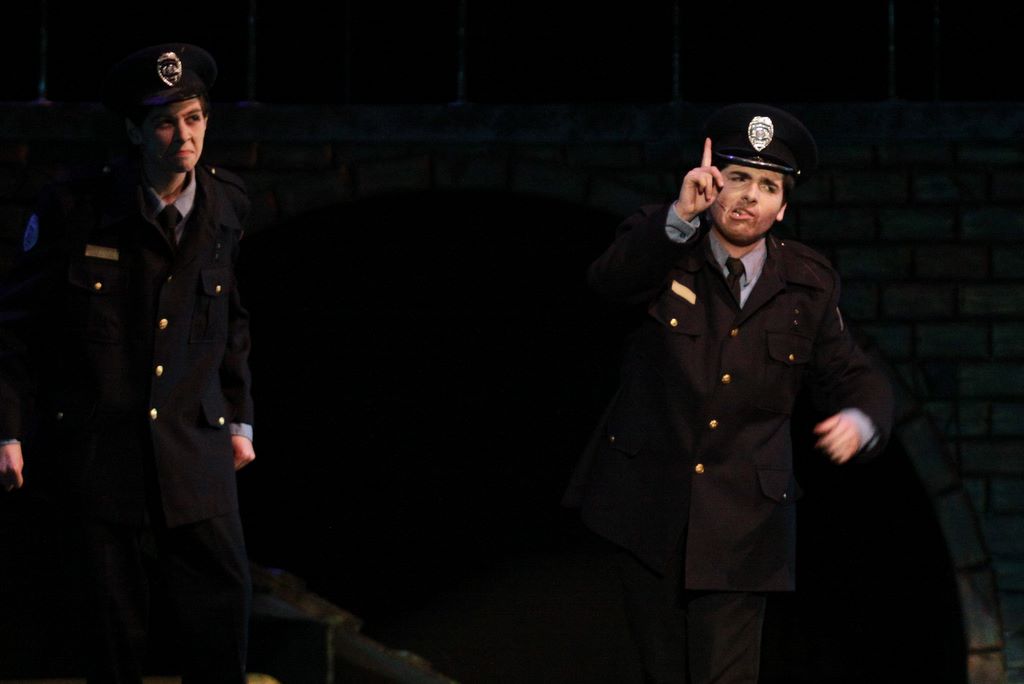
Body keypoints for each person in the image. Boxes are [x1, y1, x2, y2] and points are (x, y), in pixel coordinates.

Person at [563, 103, 894, 683]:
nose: (748, 197)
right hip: (646, 507)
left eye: (768, 186)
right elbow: (609, 282)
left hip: (744, 523)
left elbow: (851, 372)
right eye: (738, 178)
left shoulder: (807, 283)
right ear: (712, 181)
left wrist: (862, 419)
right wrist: (677, 219)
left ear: (782, 207)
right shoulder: (664, 243)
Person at [0, 43, 255, 682]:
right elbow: (17, 327)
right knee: (110, 639)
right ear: (136, 132)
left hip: (195, 450)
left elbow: (230, 319)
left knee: (220, 627)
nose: (184, 136)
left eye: (194, 118)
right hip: (101, 452)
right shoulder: (77, 207)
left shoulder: (226, 204)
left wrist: (240, 418)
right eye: (166, 122)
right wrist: (9, 429)